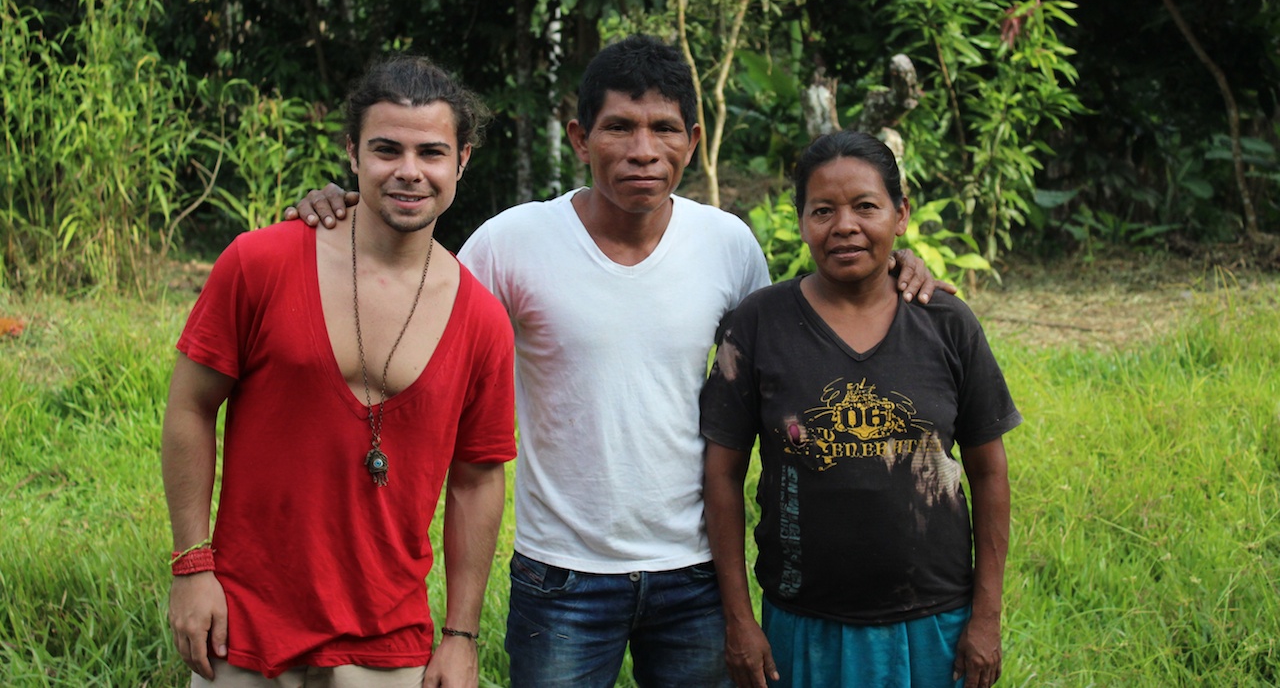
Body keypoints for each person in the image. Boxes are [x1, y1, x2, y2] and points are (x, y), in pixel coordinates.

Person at [288, 36, 950, 687]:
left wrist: (895, 265)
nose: (643, 150)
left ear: (692, 139)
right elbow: (420, 296)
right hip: (560, 574)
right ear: (579, 137)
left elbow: (795, 347)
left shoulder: (728, 246)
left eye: (663, 128)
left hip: (698, 570)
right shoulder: (511, 243)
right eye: (619, 127)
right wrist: (349, 209)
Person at [162, 55, 516, 688]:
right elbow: (190, 405)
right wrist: (192, 566)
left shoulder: (483, 322)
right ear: (352, 154)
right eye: (387, 150)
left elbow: (477, 481)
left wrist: (460, 636)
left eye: (432, 153)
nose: (409, 172)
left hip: (388, 639)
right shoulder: (261, 262)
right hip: (243, 625)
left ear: (461, 161)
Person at [699, 129, 1019, 688]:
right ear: (801, 221)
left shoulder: (946, 323)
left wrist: (986, 617)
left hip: (935, 620)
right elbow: (721, 476)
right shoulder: (757, 326)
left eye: (865, 206)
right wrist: (740, 619)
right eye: (823, 210)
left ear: (901, 214)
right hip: (802, 622)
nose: (844, 225)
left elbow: (989, 473)